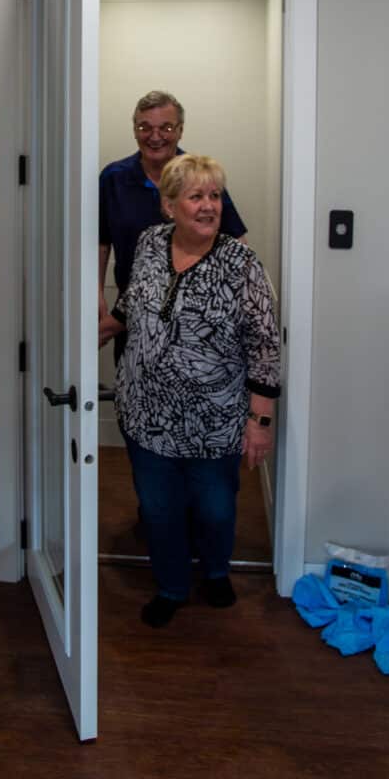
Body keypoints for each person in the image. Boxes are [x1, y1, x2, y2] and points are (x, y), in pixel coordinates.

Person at [99, 154, 280, 628]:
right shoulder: (148, 243)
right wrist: (105, 327)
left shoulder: (241, 264)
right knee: (158, 511)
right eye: (196, 196)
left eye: (215, 196)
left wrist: (259, 421)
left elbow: (264, 343)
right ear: (169, 205)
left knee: (216, 509)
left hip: (214, 418)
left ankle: (217, 571)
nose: (208, 207)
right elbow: (134, 299)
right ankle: (172, 586)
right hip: (145, 413)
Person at [99, 90, 247, 359]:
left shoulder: (201, 178)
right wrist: (96, 296)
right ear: (134, 130)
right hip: (133, 313)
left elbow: (237, 244)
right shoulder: (114, 178)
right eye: (145, 127)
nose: (155, 137)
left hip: (195, 322)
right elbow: (100, 242)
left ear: (180, 130)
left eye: (166, 127)